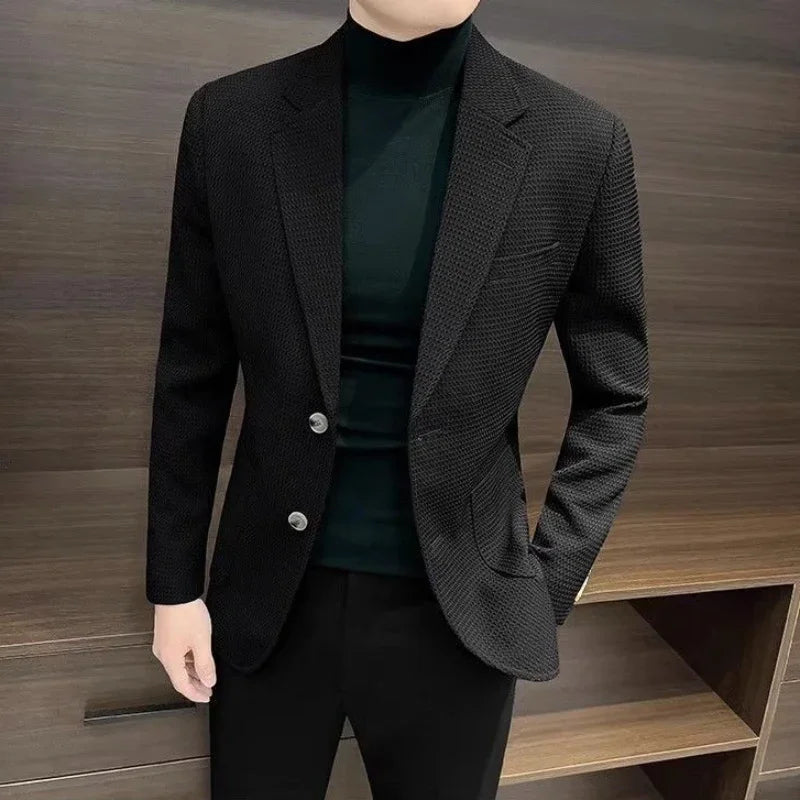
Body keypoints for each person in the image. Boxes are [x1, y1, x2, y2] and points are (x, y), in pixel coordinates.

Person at [146, 1, 649, 797]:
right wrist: (174, 585)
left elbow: (616, 394)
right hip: (268, 602)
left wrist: (549, 577)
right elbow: (191, 372)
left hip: (460, 618)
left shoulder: (578, 142)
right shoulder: (231, 122)